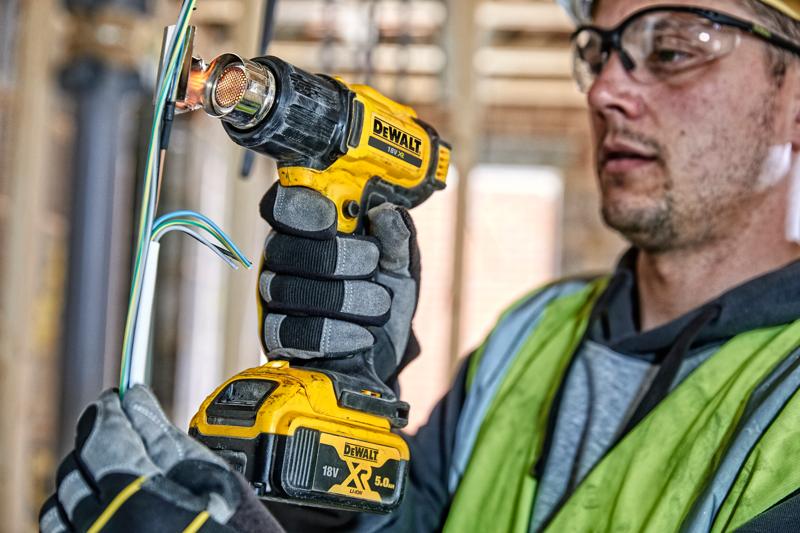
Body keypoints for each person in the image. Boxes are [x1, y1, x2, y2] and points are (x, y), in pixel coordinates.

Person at [40, 0, 800, 531]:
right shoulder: (531, 334)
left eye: (669, 50)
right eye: (597, 52)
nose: (604, 90)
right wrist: (334, 470)